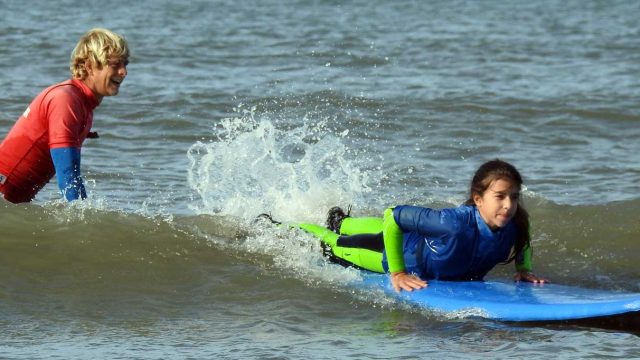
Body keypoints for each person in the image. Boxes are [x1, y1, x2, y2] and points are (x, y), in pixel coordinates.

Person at [295, 159, 546, 292]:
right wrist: (398, 273)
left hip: (419, 242)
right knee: (332, 246)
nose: (508, 204)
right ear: (478, 199)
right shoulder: (453, 224)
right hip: (396, 254)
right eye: (500, 196)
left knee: (354, 228)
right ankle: (284, 226)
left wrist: (524, 268)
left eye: (514, 196)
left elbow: (523, 234)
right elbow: (393, 216)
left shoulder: (514, 223)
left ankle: (342, 221)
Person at [0, 28, 130, 203]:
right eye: (115, 65)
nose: (124, 72)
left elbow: (72, 177)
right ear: (89, 66)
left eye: (125, 64)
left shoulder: (82, 104)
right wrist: (83, 226)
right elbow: (68, 177)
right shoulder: (66, 100)